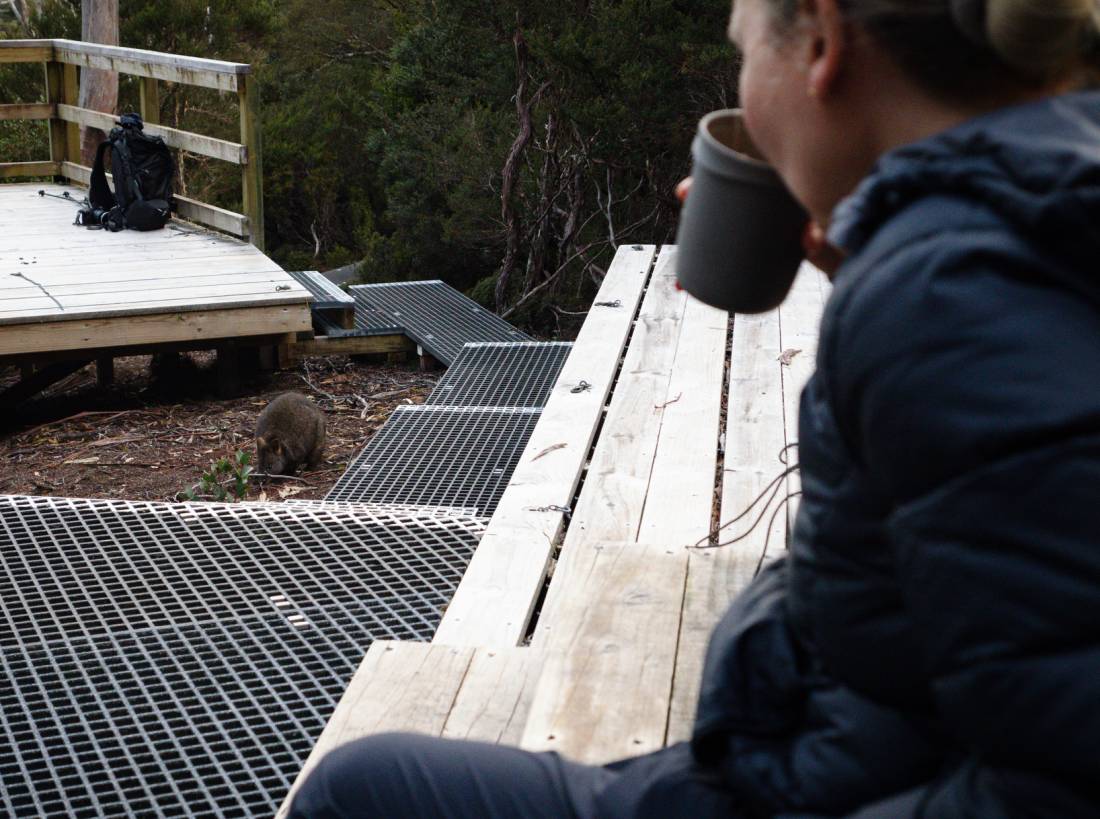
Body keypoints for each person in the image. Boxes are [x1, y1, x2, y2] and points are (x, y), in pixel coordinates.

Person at [289, 0, 1100, 816]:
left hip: (821, 783)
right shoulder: (1020, 228)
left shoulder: (953, 303)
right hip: (841, 754)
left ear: (819, 41)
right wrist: (872, 254)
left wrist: (898, 291)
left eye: (744, 51)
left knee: (359, 790)